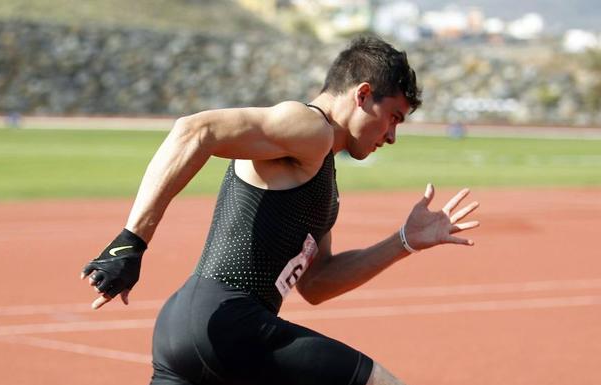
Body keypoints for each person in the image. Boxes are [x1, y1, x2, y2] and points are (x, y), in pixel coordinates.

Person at [81, 35, 480, 385]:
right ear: (362, 95)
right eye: (393, 117)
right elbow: (194, 130)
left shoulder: (320, 172)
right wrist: (130, 242)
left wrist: (404, 242)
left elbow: (317, 284)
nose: (392, 136)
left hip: (188, 331)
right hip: (233, 325)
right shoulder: (310, 128)